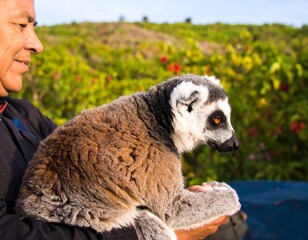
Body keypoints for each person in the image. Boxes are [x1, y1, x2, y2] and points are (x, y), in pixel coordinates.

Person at [0, 0, 231, 239]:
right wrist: (142, 235)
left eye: (34, 27)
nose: (37, 44)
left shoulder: (24, 115)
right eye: (21, 25)